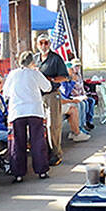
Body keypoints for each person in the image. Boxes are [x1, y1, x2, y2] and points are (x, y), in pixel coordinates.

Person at [3, 51, 52, 182]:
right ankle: (41, 170)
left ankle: (18, 173)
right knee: (38, 141)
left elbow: (6, 92)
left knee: (17, 143)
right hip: (34, 109)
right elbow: (48, 87)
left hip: (17, 111)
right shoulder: (35, 73)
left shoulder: (12, 74)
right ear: (32, 62)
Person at [35, 35, 71, 165]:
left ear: (49, 44)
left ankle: (56, 154)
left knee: (53, 125)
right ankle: (44, 152)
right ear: (37, 44)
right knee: (39, 125)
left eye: (46, 43)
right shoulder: (34, 59)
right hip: (37, 96)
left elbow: (66, 77)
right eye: (41, 43)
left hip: (52, 95)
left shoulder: (56, 59)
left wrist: (52, 80)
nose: (44, 45)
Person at [58, 73, 92, 143]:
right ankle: (77, 132)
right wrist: (72, 82)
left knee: (87, 102)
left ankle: (83, 125)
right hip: (61, 102)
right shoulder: (60, 82)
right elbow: (65, 94)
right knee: (74, 108)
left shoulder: (76, 76)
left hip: (65, 100)